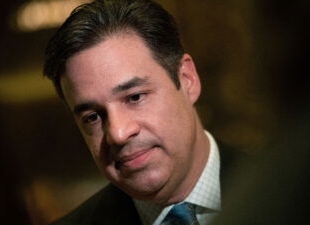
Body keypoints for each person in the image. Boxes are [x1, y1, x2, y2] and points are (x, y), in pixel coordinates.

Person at [43, 0, 243, 224]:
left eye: (134, 97)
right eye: (93, 117)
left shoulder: (283, 192)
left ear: (188, 80)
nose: (117, 133)